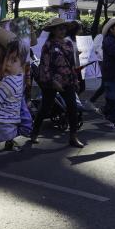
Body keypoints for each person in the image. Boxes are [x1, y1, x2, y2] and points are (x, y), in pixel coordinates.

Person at [30, 17, 83, 147]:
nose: (62, 31)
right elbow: (45, 66)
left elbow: (72, 64)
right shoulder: (48, 45)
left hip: (68, 81)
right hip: (51, 83)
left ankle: (73, 136)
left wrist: (75, 79)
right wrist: (53, 81)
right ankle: (34, 132)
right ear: (53, 30)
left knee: (73, 108)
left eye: (64, 28)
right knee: (45, 109)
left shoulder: (68, 44)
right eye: (59, 28)